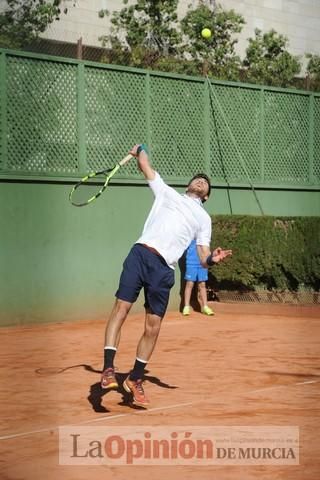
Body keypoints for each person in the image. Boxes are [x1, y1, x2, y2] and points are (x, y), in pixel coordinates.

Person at [101, 144, 232, 407]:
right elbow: (145, 165)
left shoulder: (203, 218)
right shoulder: (165, 192)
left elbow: (203, 255)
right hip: (141, 254)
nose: (200, 181)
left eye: (205, 183)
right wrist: (141, 149)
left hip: (164, 270)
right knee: (121, 308)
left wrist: (211, 260)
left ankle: (135, 378)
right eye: (197, 179)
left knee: (154, 326)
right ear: (189, 185)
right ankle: (108, 369)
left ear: (206, 195)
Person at [183, 239, 215, 316]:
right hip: (191, 262)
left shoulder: (204, 234)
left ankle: (205, 307)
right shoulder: (190, 234)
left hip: (203, 263)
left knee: (202, 285)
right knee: (189, 284)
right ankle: (186, 306)